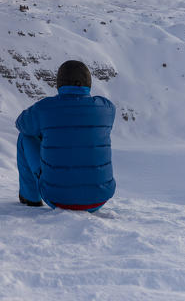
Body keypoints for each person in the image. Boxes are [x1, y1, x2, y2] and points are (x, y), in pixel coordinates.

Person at [15, 60, 116, 212]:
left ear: (59, 83)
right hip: (99, 198)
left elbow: (21, 124)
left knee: (25, 137)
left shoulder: (45, 108)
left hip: (58, 199)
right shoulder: (107, 108)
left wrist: (45, 133)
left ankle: (31, 197)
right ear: (88, 83)